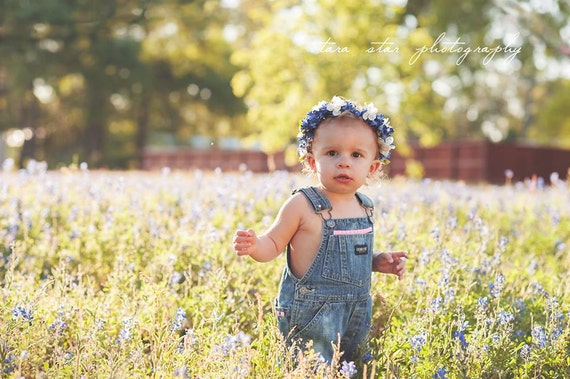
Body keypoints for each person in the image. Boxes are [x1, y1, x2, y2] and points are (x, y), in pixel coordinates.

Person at [232, 96, 408, 364]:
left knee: (351, 366)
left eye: (356, 155)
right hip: (311, 314)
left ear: (372, 167)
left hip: (357, 312)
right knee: (312, 369)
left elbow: (351, 258)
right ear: (312, 161)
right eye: (332, 153)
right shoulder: (302, 204)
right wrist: (256, 246)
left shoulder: (365, 206)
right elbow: (273, 243)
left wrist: (376, 261)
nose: (344, 162)